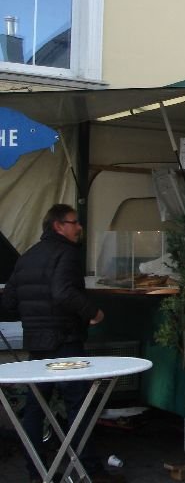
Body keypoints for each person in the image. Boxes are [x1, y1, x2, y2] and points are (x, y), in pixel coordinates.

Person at [2, 204, 122, 483]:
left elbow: (9, 303)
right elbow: (63, 291)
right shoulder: (67, 253)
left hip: (36, 342)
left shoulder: (27, 256)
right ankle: (90, 471)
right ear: (58, 226)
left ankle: (37, 473)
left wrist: (35, 317)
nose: (79, 227)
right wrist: (93, 312)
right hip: (65, 339)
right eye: (74, 222)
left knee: (35, 408)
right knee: (78, 405)